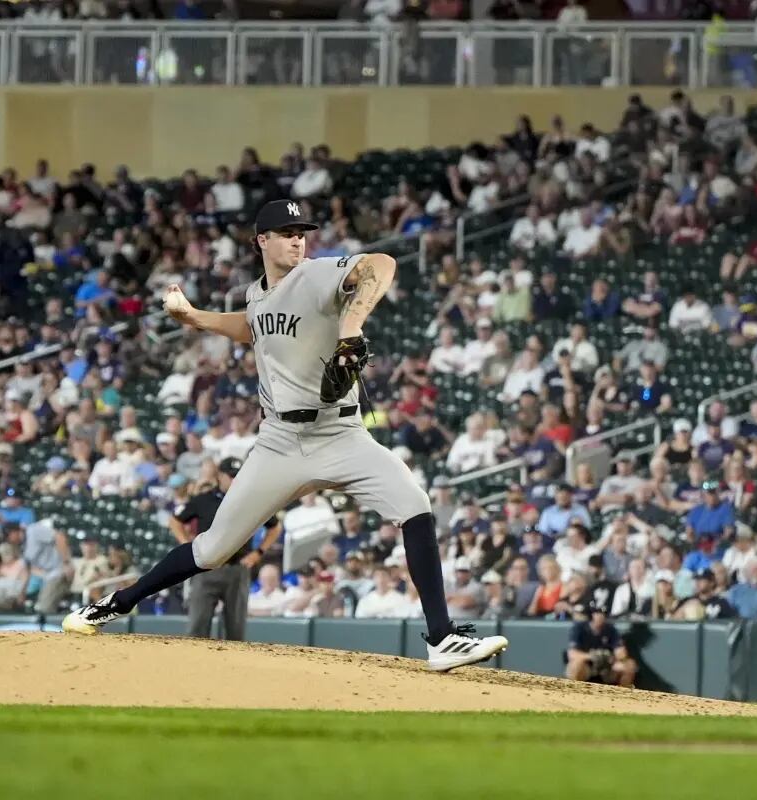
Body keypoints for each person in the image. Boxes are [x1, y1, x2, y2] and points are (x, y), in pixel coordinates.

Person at [63, 200, 508, 671]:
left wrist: (351, 324)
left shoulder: (314, 275)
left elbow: (381, 264)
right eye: (286, 233)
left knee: (415, 505)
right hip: (279, 442)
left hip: (340, 432)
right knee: (213, 549)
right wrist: (194, 318)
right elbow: (253, 326)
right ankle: (115, 603)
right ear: (262, 240)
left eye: (301, 232)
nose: (298, 240)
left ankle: (440, 638)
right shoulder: (257, 294)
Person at [171, 456, 283, 641]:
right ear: (220, 476)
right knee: (196, 627)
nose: (234, 480)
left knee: (235, 631)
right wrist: (186, 544)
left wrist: (259, 552)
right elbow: (175, 521)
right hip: (206, 568)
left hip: (237, 568)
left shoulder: (250, 500)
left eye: (238, 475)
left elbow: (275, 526)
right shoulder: (204, 500)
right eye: (231, 475)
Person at [564, 602, 637, 687]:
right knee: (576, 665)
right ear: (591, 614)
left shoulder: (610, 629)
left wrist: (612, 656)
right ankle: (574, 691)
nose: (600, 616)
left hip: (606, 667)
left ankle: (622, 692)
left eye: (603, 614)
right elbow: (572, 654)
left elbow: (621, 653)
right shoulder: (579, 628)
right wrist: (592, 656)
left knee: (629, 665)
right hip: (587, 665)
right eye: (597, 613)